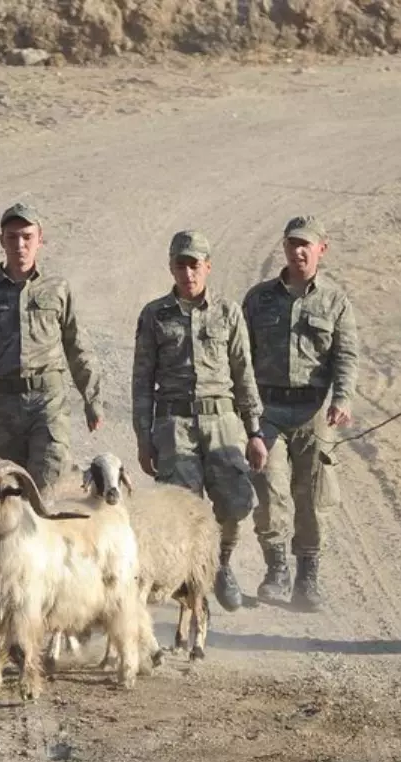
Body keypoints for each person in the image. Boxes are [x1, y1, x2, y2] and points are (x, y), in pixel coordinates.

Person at [132, 230, 269, 612]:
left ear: (208, 267)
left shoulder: (228, 313)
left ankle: (221, 562)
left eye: (195, 265)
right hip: (174, 426)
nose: (188, 273)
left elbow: (244, 375)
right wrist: (144, 438)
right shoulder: (154, 315)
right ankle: (189, 587)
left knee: (235, 503)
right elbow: (142, 381)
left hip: (221, 421)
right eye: (181, 265)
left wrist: (254, 431)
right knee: (180, 510)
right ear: (171, 267)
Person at [0, 203, 103, 492]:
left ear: (41, 239)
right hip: (2, 406)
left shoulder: (57, 288)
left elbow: (77, 346)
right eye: (12, 237)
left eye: (27, 236)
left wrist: (92, 399)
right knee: (7, 493)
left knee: (48, 483)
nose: (20, 245)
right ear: (1, 241)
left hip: (47, 402)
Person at [242, 216, 358, 612]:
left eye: (306, 244)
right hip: (267, 411)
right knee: (271, 493)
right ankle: (276, 570)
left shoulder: (335, 301)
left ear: (321, 249)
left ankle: (308, 577)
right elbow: (241, 357)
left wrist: (342, 398)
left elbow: (346, 356)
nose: (299, 251)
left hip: (313, 413)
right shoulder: (258, 299)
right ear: (285, 248)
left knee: (312, 498)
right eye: (292, 244)